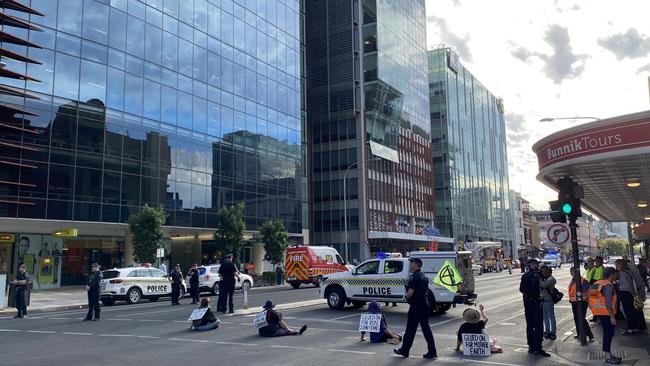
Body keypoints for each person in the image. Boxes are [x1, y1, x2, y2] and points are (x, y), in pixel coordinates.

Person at [393, 257, 438, 359]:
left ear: (417, 264)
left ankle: (405, 350)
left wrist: (407, 292)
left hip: (416, 306)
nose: (410, 264)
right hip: (424, 304)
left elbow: (410, 294)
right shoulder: (423, 275)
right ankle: (432, 351)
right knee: (426, 329)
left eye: (412, 263)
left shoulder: (414, 276)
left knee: (410, 329)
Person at [589, 267, 622, 365]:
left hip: (599, 312)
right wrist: (612, 316)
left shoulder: (598, 283)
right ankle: (608, 356)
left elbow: (590, 295)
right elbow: (608, 303)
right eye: (616, 274)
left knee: (607, 334)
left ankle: (609, 354)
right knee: (608, 334)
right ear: (611, 274)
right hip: (607, 314)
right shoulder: (608, 286)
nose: (617, 276)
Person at [519, 258, 550, 357]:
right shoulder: (536, 275)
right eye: (536, 264)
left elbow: (521, 289)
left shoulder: (525, 275)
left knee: (530, 325)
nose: (537, 266)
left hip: (527, 303)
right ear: (532, 265)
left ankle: (531, 346)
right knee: (538, 325)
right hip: (535, 303)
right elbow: (537, 288)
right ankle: (538, 348)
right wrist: (538, 296)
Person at [568, 267, 594, 341]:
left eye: (572, 271)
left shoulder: (582, 280)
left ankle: (589, 334)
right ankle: (579, 333)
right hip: (574, 302)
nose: (571, 273)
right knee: (576, 318)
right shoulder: (573, 280)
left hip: (582, 302)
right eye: (570, 271)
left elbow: (587, 291)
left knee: (581, 318)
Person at [616, 259, 641, 335]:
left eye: (617, 264)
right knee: (631, 311)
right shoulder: (628, 272)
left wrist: (633, 295)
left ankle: (630, 329)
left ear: (621, 265)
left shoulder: (623, 273)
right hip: (629, 294)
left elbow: (627, 286)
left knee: (627, 311)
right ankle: (634, 328)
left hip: (625, 293)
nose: (616, 266)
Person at [540, 265, 558, 340]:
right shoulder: (544, 279)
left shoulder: (551, 279)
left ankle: (553, 332)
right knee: (545, 317)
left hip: (549, 300)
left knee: (551, 317)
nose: (543, 272)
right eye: (542, 271)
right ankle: (547, 331)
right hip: (543, 300)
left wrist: (539, 279)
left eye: (544, 271)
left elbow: (544, 285)